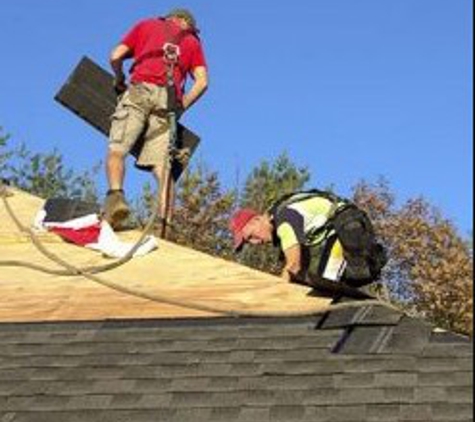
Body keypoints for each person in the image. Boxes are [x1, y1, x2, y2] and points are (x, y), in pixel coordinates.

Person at [103, 8, 208, 230]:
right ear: (186, 23)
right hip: (167, 104)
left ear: (171, 18)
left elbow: (115, 55)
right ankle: (164, 223)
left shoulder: (147, 25)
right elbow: (202, 82)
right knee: (163, 169)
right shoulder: (192, 42)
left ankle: (116, 197)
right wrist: (182, 106)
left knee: (117, 150)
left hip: (141, 90)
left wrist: (119, 77)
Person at [229, 190, 387, 289]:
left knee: (339, 281)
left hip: (347, 224)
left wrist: (277, 295)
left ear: (256, 220)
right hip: (329, 233)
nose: (255, 242)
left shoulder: (284, 219)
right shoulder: (278, 219)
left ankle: (371, 259)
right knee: (310, 282)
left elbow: (293, 265)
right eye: (249, 242)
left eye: (250, 236)